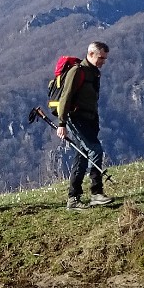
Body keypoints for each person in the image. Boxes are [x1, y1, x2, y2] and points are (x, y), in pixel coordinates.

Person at [53, 41, 112, 209]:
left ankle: (73, 198)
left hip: (89, 119)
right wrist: (62, 123)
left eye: (105, 58)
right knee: (95, 150)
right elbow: (66, 97)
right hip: (76, 119)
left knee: (82, 156)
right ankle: (96, 193)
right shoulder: (77, 72)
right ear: (91, 54)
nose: (103, 61)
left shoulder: (93, 73)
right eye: (101, 57)